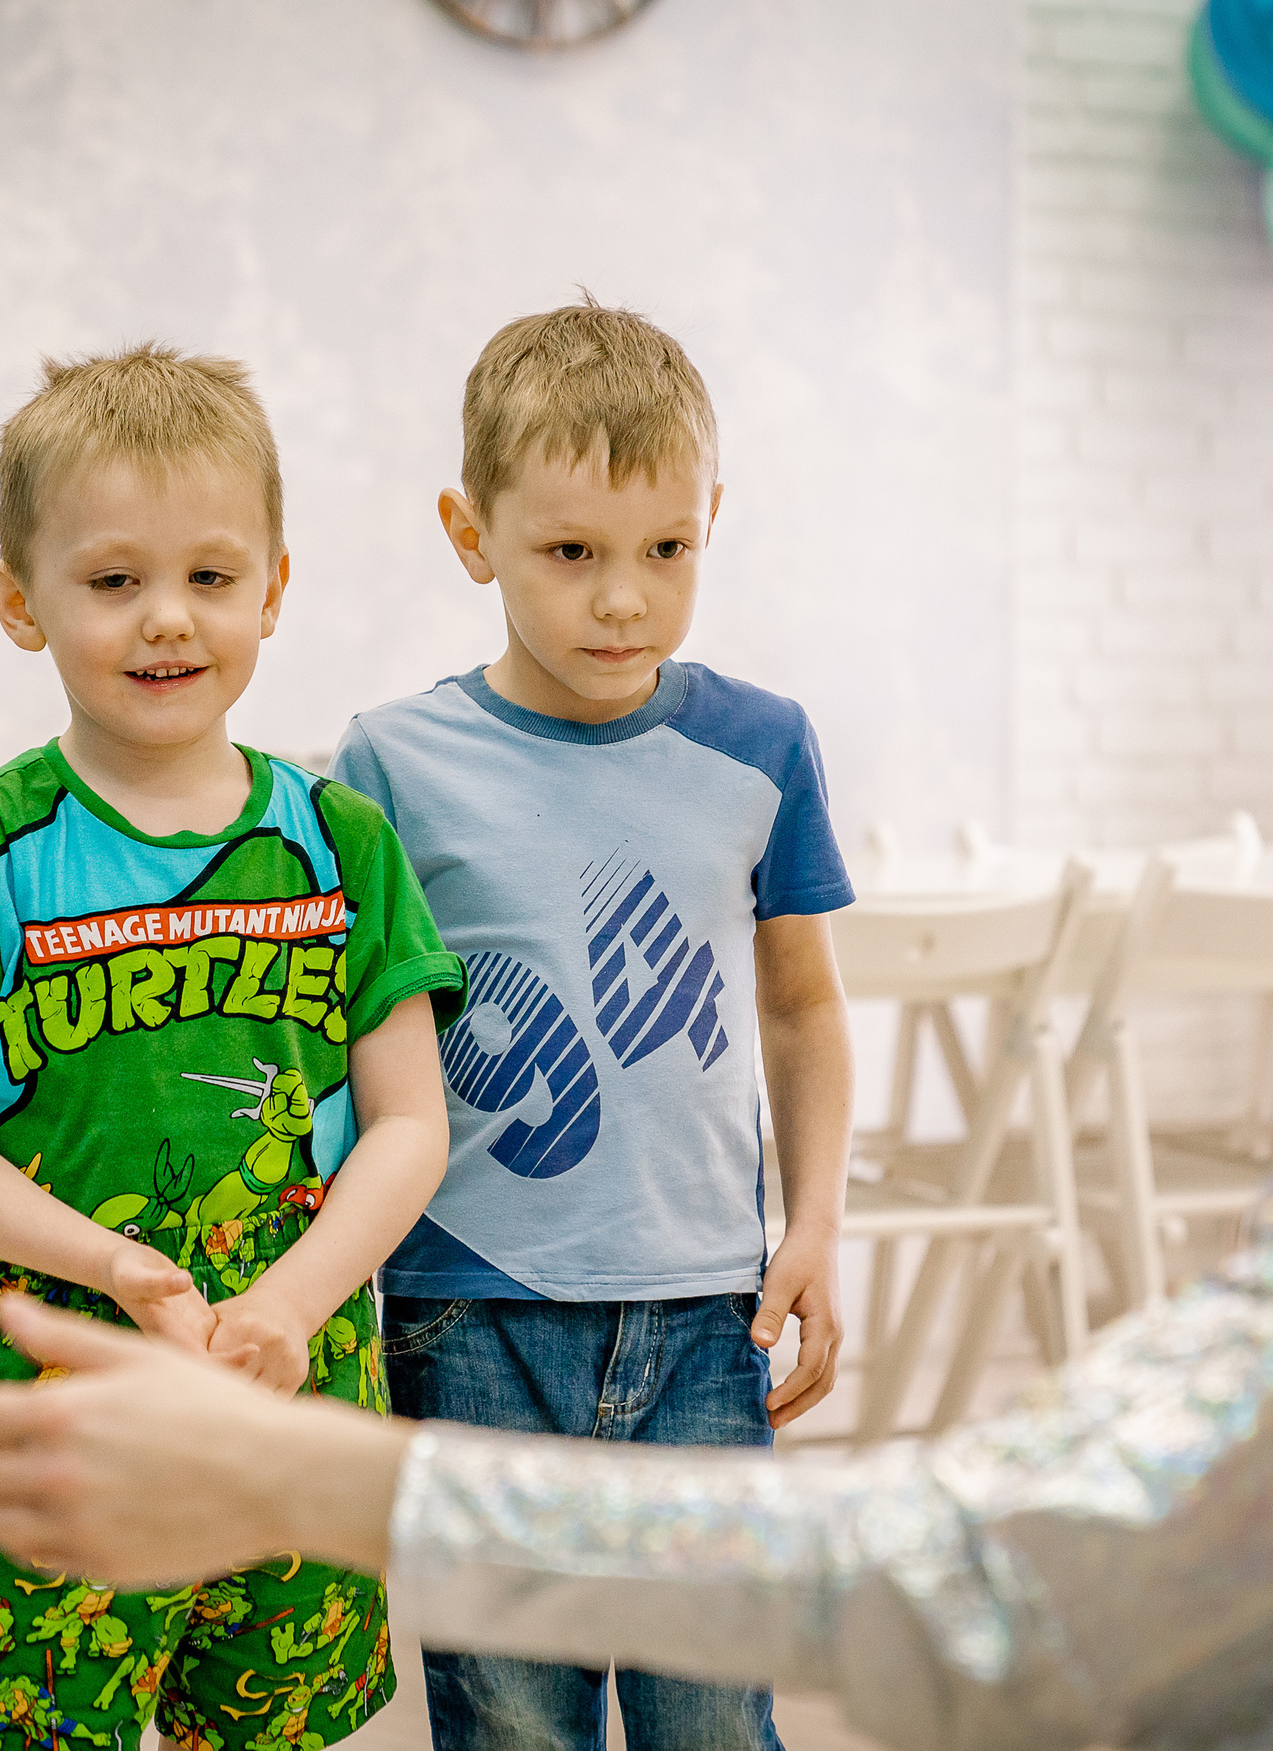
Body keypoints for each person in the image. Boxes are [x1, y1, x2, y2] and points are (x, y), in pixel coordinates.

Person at [0, 237, 1273, 1749]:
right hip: (481, 1304)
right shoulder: (344, 778)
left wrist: (321, 1476)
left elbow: (1020, 1575)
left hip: (681, 1294)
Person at [0, 344, 463, 1751]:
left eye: (212, 578)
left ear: (274, 590)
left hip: (300, 1385)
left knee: (272, 1723)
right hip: (62, 1393)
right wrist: (115, 1262)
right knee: (52, 1727)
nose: (166, 620)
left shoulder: (341, 841)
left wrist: (292, 1305)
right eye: (112, 581)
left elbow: (411, 1121)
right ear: (19, 602)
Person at [326, 299, 855, 1750]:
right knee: (510, 1718)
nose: (623, 600)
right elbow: (351, 1050)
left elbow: (801, 1006)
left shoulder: (762, 745)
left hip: (701, 1311)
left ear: (711, 523)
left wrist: (812, 1224)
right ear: (469, 529)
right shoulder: (389, 762)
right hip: (468, 1310)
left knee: (709, 1710)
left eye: (666, 551)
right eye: (571, 553)